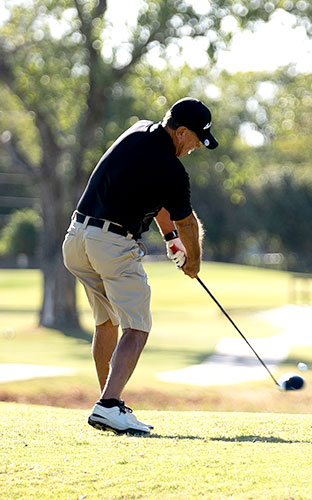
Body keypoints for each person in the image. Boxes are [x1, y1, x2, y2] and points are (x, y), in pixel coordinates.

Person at [62, 97, 218, 435]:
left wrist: (170, 239)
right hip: (112, 244)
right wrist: (193, 262)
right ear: (181, 132)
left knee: (107, 322)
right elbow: (188, 222)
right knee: (137, 326)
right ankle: (108, 406)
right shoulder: (172, 169)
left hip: (76, 239)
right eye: (195, 140)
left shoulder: (137, 132)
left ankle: (109, 403)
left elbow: (160, 204)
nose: (195, 148)